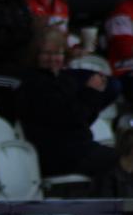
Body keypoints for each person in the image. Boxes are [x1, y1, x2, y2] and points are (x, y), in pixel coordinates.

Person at [16, 26, 119, 178]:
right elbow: (70, 117)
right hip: (55, 152)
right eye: (46, 53)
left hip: (79, 147)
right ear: (36, 55)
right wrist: (91, 92)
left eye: (57, 53)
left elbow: (85, 119)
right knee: (119, 161)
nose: (52, 58)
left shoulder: (65, 80)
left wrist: (95, 94)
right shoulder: (33, 83)